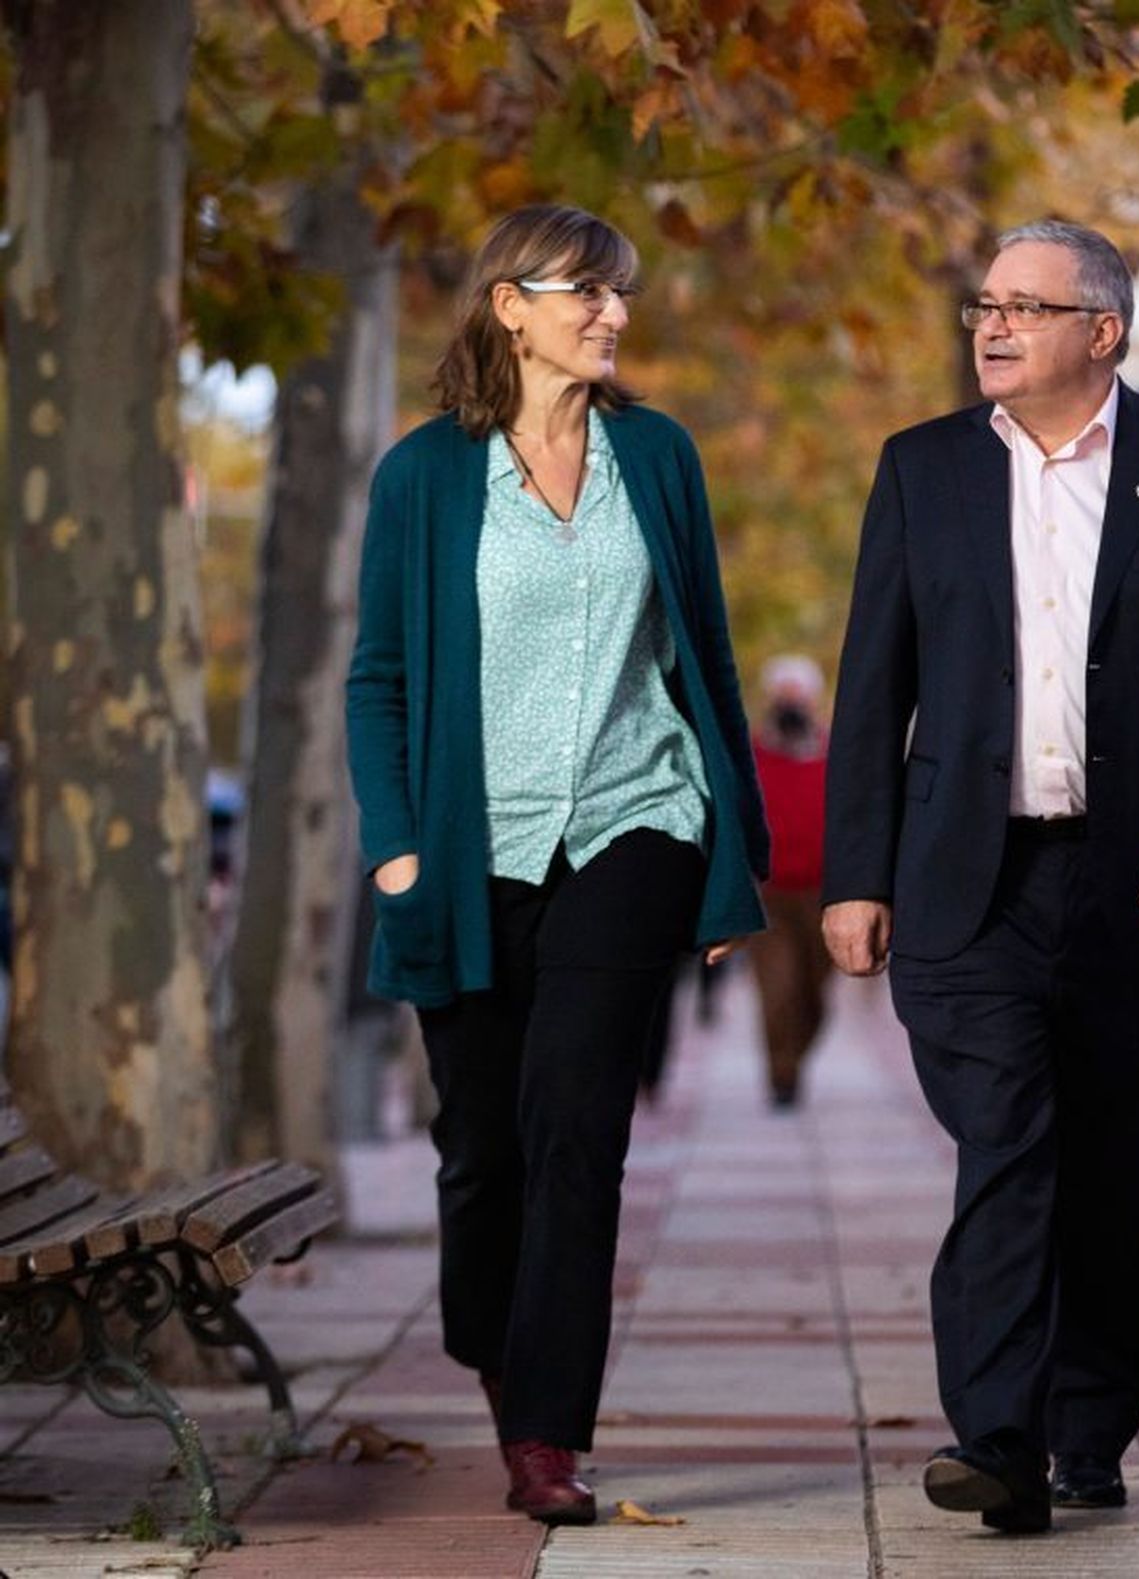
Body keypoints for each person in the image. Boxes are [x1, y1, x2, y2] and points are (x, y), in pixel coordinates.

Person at [821, 219, 1139, 1534]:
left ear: (1106, 330)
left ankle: (1089, 1421)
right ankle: (1001, 1436)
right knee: (1010, 1138)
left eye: (1028, 305)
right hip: (965, 880)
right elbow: (876, 686)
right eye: (986, 302)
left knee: (1106, 1156)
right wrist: (855, 873)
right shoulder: (922, 470)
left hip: (1133, 881)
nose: (994, 323)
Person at [345, 203, 768, 1526]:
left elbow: (703, 652)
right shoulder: (426, 473)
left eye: (619, 293)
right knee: (482, 1149)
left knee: (579, 1129)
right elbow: (380, 680)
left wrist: (726, 852)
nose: (611, 313)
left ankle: (547, 1432)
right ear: (509, 305)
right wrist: (400, 851)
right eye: (583, 291)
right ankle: (495, 1340)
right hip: (472, 853)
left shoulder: (659, 454)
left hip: (636, 826)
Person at [747, 654, 832, 1107]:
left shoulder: (834, 752)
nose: (791, 703)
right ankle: (782, 1072)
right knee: (778, 989)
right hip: (771, 893)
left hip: (823, 895)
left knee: (814, 996)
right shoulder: (753, 753)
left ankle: (794, 1055)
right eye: (785, 695)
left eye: (799, 695)